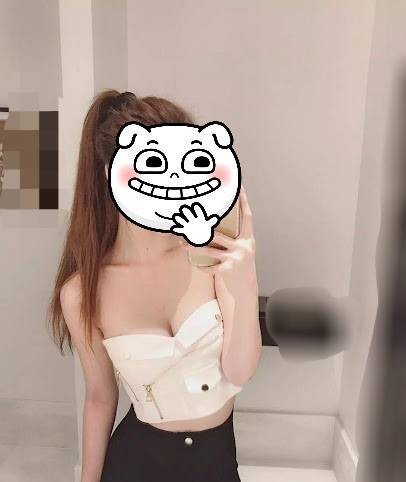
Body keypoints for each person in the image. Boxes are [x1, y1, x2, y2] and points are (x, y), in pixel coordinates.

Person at [47, 89, 262, 482]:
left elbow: (239, 370)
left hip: (216, 464)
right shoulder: (81, 293)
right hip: (135, 464)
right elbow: (100, 397)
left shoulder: (212, 253)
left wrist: (245, 281)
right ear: (111, 173)